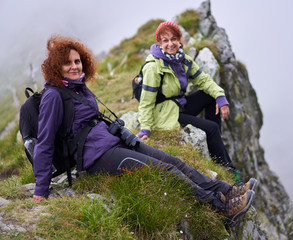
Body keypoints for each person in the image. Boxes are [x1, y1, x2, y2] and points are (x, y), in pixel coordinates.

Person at [32, 35, 257, 225]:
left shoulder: (79, 87)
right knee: (166, 171)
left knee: (174, 161)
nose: (74, 67)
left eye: (77, 61)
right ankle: (221, 208)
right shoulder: (53, 96)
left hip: (112, 140)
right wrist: (41, 190)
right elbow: (44, 142)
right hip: (97, 156)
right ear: (56, 67)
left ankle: (226, 190)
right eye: (68, 63)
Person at [136, 21, 235, 170]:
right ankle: (228, 170)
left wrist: (220, 97)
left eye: (174, 39)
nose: (170, 44)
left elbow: (204, 80)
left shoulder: (183, 60)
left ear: (179, 40)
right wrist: (145, 129)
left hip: (179, 105)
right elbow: (146, 102)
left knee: (210, 96)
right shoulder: (153, 67)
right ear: (159, 43)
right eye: (165, 40)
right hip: (164, 113)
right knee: (212, 128)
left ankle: (215, 143)